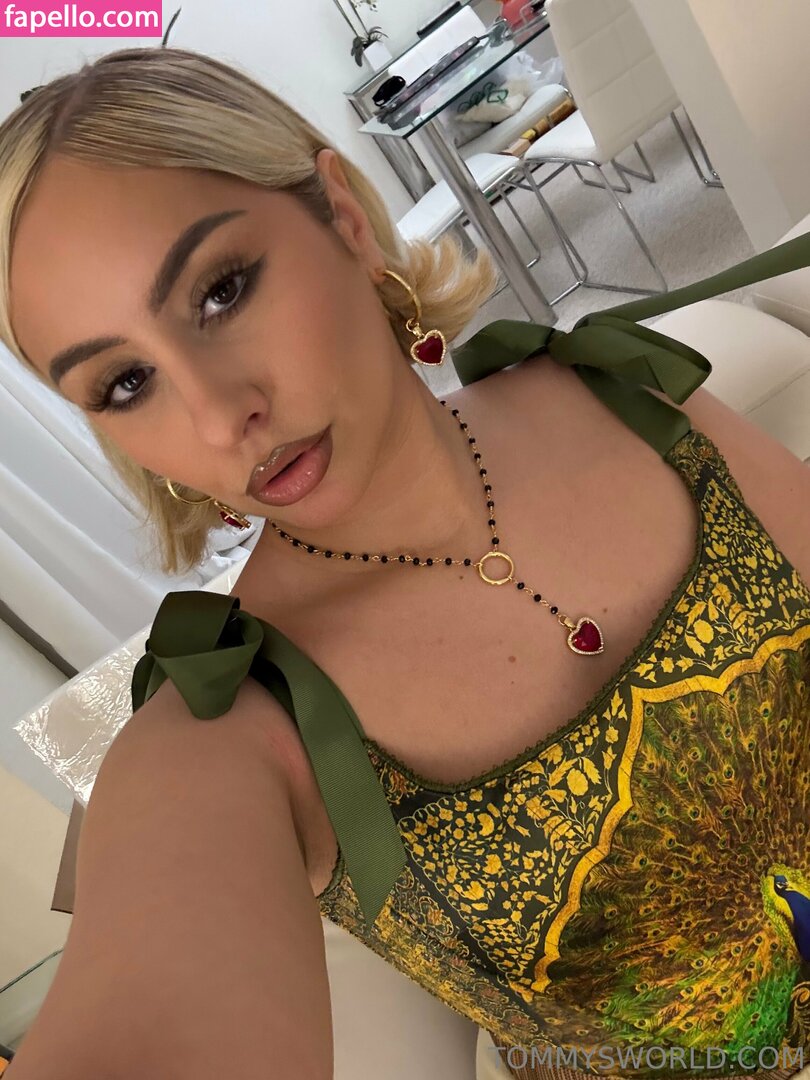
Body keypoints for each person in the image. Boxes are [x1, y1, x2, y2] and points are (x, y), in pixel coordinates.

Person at [1, 45, 808, 1080]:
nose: (217, 414)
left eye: (221, 291)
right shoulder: (229, 731)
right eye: (125, 384)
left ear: (341, 214)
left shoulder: (626, 392)